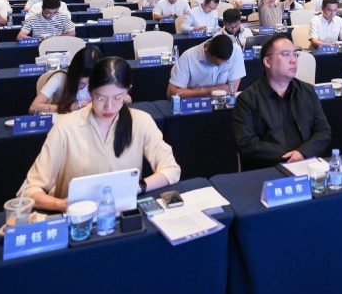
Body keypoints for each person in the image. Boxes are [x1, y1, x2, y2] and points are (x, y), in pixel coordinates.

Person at [23, 57, 181, 212]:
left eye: (118, 97)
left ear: (128, 90)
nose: (109, 107)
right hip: (77, 218)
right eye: (100, 98)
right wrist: (61, 205)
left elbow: (171, 169)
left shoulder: (140, 121)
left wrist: (138, 187)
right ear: (90, 91)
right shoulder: (65, 127)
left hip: (123, 212)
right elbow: (31, 189)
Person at [231, 34, 332, 169]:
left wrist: (302, 153)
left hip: (307, 164)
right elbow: (246, 143)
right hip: (268, 169)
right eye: (286, 54)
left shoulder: (307, 91)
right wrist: (291, 155)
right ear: (267, 62)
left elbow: (323, 131)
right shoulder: (247, 99)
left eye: (295, 54)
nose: (293, 60)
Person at [29, 46, 103, 114]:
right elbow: (33, 108)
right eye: (81, 75)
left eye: (89, 77)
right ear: (75, 68)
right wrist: (67, 107)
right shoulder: (60, 77)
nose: (84, 81)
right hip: (61, 120)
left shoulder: (100, 80)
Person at [167, 34, 245, 98]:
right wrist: (205, 92)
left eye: (224, 63)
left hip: (222, 103)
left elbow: (232, 89)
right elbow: (172, 93)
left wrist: (196, 90)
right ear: (206, 50)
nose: (219, 66)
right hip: (196, 104)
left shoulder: (236, 51)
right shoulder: (188, 57)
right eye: (215, 63)